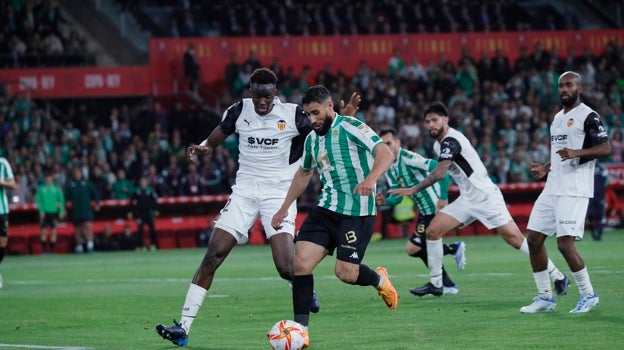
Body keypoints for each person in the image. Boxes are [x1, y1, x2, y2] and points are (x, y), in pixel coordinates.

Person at [156, 68, 350, 346]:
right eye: (258, 96)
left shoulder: (293, 114)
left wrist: (345, 119)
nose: (262, 102)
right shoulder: (238, 111)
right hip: (244, 193)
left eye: (267, 96)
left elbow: (324, 130)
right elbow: (217, 135)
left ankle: (300, 284)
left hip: (278, 195)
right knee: (213, 255)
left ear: (275, 93)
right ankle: (183, 328)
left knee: (285, 266)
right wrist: (203, 146)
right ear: (251, 92)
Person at [388, 101, 569, 298]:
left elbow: (440, 173)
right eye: (428, 121)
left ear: (445, 120)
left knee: (515, 240)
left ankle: (558, 276)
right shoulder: (437, 144)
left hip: (485, 196)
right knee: (432, 232)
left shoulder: (451, 141)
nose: (431, 124)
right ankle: (437, 284)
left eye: (435, 120)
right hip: (467, 199)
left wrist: (414, 189)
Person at [271, 85, 398, 348]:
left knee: (346, 273)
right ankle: (300, 330)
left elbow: (385, 153)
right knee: (301, 264)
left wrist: (370, 179)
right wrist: (284, 207)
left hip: (356, 212)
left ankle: (380, 280)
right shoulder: (311, 139)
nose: (312, 120)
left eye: (316, 113)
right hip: (325, 209)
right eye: (307, 115)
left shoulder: (351, 127)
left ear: (330, 106)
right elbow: (304, 173)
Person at [520, 71, 610, 314]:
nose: (564, 89)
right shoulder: (558, 117)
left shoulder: (588, 116)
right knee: (534, 239)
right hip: (553, 187)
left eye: (569, 85)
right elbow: (561, 152)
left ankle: (589, 295)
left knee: (564, 244)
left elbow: (605, 147)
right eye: (561, 85)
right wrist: (545, 168)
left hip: (574, 188)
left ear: (579, 88)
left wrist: (576, 153)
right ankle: (545, 298)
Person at [376, 128, 466, 296]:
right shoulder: (389, 166)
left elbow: (442, 171)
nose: (386, 147)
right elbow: (397, 195)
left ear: (398, 143)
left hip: (433, 208)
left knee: (413, 248)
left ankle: (443, 277)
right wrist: (385, 201)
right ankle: (447, 282)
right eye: (383, 145)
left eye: (389, 143)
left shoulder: (409, 158)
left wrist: (442, 197)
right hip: (424, 212)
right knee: (420, 248)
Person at [65, 167, 101, 253]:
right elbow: (66, 198)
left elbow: (95, 194)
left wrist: (97, 204)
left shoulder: (87, 183)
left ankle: (90, 245)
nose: (77, 174)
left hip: (86, 209)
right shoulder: (71, 184)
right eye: (75, 172)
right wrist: (64, 209)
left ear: (81, 174)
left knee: (88, 226)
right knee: (77, 229)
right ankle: (79, 247)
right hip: (76, 210)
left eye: (78, 172)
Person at [35, 172, 66, 254]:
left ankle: (52, 250)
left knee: (54, 231)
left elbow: (61, 200)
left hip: (54, 212)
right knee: (43, 231)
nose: (48, 180)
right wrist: (41, 211)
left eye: (49, 178)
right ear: (45, 179)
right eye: (47, 178)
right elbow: (39, 201)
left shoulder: (56, 188)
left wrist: (61, 211)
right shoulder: (41, 188)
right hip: (44, 213)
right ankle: (44, 250)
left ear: (52, 179)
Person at [128, 177, 159, 251]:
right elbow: (132, 202)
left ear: (146, 182)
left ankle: (153, 245)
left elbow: (154, 201)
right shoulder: (136, 191)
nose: (143, 183)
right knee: (140, 230)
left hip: (149, 213)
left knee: (152, 229)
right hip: (139, 213)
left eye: (144, 181)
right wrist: (130, 211)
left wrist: (156, 209)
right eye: (141, 181)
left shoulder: (150, 190)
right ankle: (141, 246)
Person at [0, 157, 16, 288]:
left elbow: (12, 184)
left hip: (2, 211)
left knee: (2, 244)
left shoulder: (3, 163)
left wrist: (1, 182)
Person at [586, 159, 608, 241]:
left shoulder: (602, 167)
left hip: (600, 197)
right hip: (590, 196)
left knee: (601, 216)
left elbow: (607, 180)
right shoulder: (588, 166)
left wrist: (601, 190)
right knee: (590, 216)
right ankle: (593, 235)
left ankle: (599, 236)